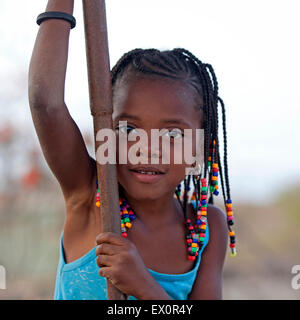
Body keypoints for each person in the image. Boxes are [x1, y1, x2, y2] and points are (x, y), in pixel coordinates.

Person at [28, 0, 236, 300]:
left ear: (202, 146)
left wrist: (143, 287)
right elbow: (45, 103)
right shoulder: (88, 196)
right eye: (128, 129)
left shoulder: (206, 229)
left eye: (173, 134)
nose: (148, 149)